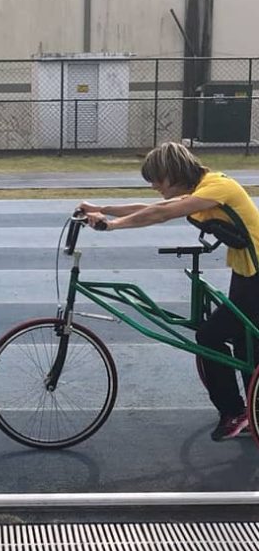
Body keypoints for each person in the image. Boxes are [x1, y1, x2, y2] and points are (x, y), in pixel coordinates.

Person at [81, 141, 259, 442]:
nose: (154, 186)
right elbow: (156, 208)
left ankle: (237, 412)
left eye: (156, 180)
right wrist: (103, 209)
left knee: (211, 336)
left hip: (256, 274)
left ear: (172, 173)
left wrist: (110, 227)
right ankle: (249, 410)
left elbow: (161, 214)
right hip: (246, 271)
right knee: (244, 341)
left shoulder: (217, 187)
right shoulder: (203, 189)